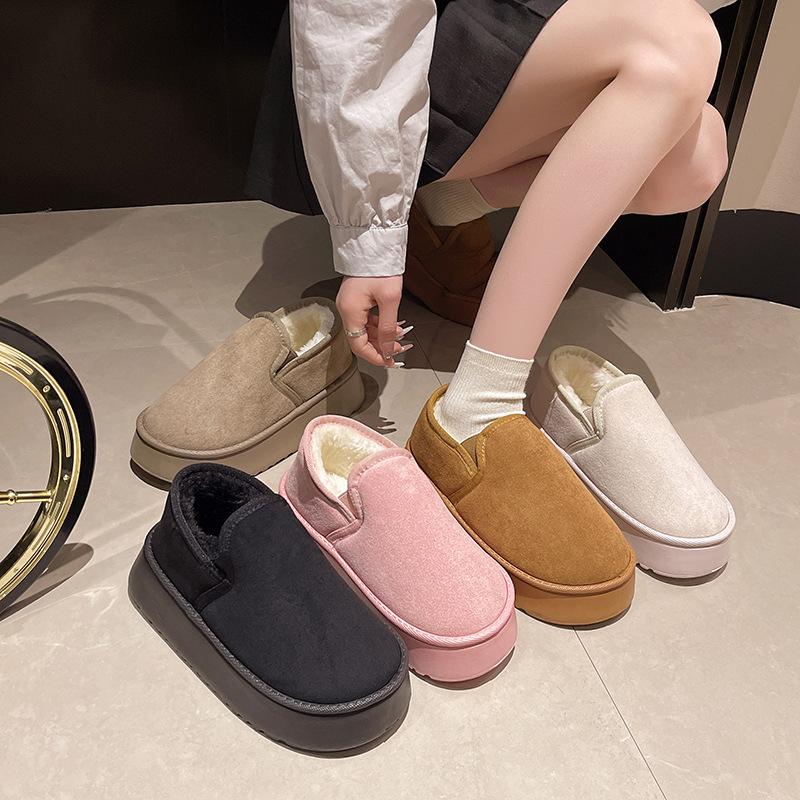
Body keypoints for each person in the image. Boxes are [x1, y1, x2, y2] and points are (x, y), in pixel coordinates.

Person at [247, 0, 727, 446]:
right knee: (678, 41)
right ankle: (478, 409)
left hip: (512, 44)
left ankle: (442, 205)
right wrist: (370, 231)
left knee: (695, 161)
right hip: (374, 79)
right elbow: (356, 20)